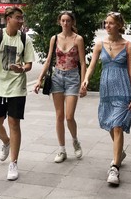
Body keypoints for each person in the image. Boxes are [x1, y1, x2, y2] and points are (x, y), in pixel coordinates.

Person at [81, 12, 131, 186]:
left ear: (119, 25)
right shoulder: (100, 45)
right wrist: (86, 79)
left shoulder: (128, 46)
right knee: (108, 123)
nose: (107, 26)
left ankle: (114, 167)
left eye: (111, 23)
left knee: (117, 126)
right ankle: (119, 152)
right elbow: (91, 67)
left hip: (123, 90)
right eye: (106, 23)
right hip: (106, 90)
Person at [0, 6, 35, 181]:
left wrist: (21, 69)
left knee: (14, 122)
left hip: (17, 86)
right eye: (18, 18)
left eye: (22, 18)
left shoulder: (24, 39)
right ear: (8, 19)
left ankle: (13, 162)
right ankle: (6, 142)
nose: (21, 21)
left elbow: (29, 64)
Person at [33, 11, 87, 163]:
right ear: (59, 22)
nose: (65, 23)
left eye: (68, 21)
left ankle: (75, 140)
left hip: (72, 78)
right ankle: (62, 149)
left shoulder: (78, 39)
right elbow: (49, 59)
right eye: (62, 21)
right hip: (57, 77)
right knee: (59, 116)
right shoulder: (54, 38)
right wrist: (39, 79)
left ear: (72, 22)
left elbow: (83, 62)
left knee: (69, 116)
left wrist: (84, 83)